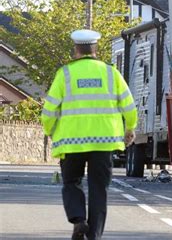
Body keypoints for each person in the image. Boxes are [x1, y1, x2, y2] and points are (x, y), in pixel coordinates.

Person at [41, 29, 137, 240]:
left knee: (71, 183)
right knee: (98, 190)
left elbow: (49, 111)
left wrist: (49, 130)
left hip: (70, 143)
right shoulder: (111, 73)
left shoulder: (65, 74)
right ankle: (94, 235)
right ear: (95, 49)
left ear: (76, 49)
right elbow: (129, 106)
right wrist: (130, 128)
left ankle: (78, 219)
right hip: (104, 144)